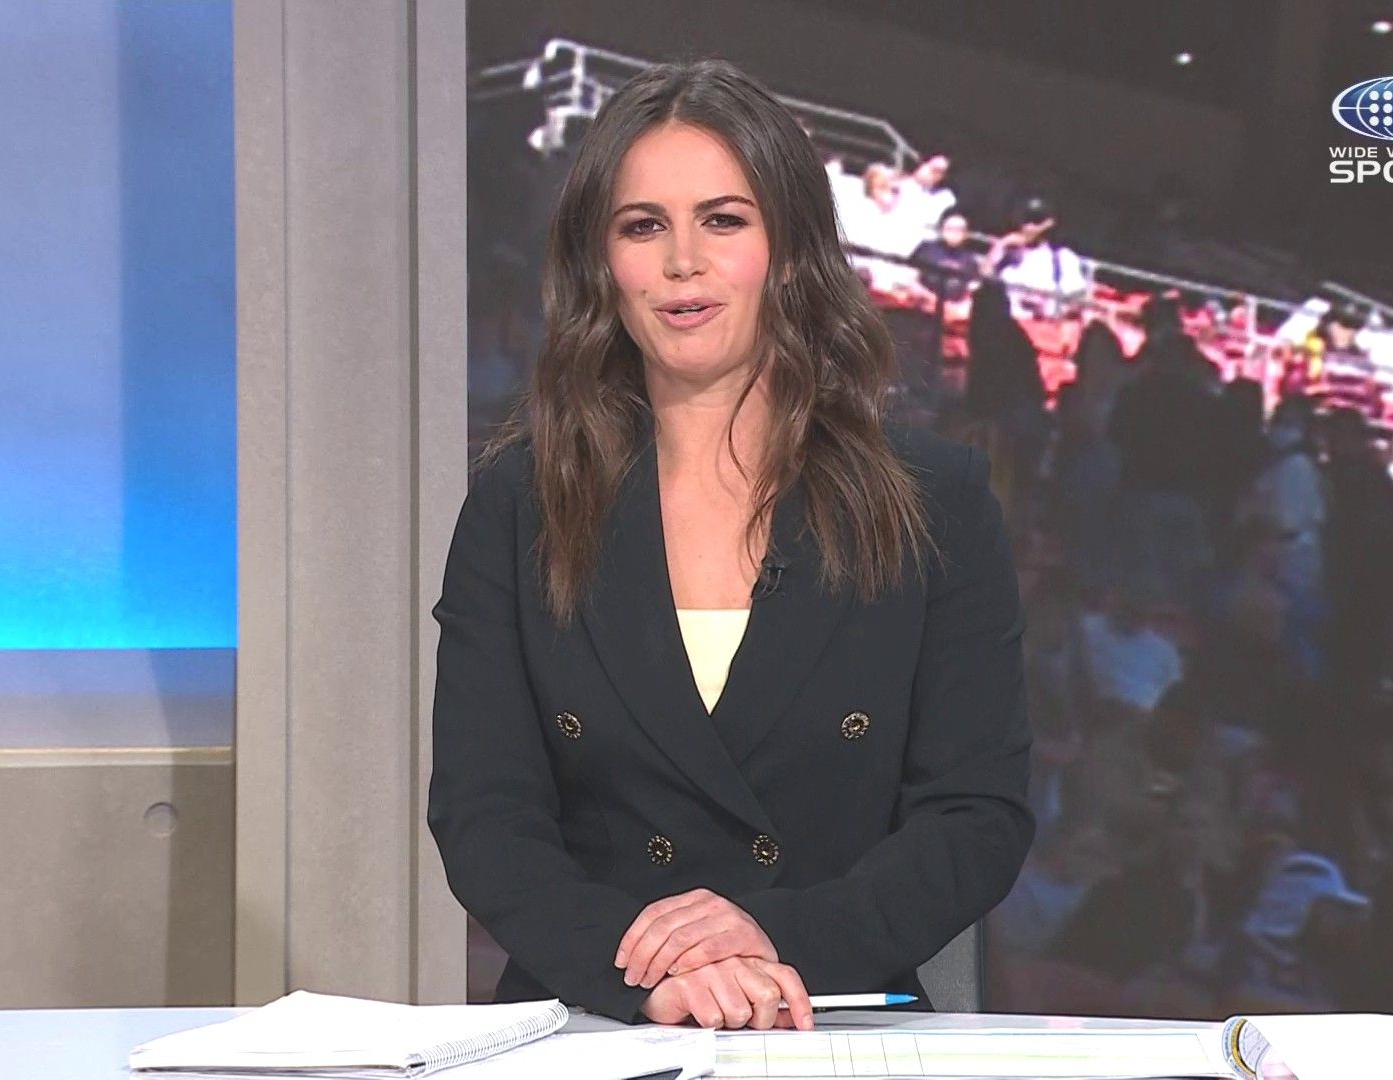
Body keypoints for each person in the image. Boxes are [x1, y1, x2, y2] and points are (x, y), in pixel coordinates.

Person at [427, 59, 1034, 1031]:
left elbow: (975, 817)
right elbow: (484, 818)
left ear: (789, 248)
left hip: (831, 1012)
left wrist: (771, 934)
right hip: (597, 1017)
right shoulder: (518, 505)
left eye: (722, 220)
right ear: (601, 263)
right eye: (642, 226)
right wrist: (648, 970)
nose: (682, 263)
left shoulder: (935, 502)